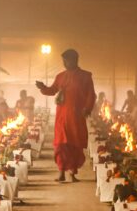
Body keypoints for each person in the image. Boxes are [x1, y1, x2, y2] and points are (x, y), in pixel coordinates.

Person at [36, 48, 96, 183]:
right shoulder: (60, 76)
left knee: (75, 144)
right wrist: (43, 87)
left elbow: (91, 95)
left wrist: (87, 108)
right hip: (62, 116)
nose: (64, 63)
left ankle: (72, 173)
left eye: (66, 60)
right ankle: (61, 172)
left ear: (75, 60)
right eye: (63, 61)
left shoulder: (85, 76)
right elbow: (52, 90)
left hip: (76, 116)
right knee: (60, 144)